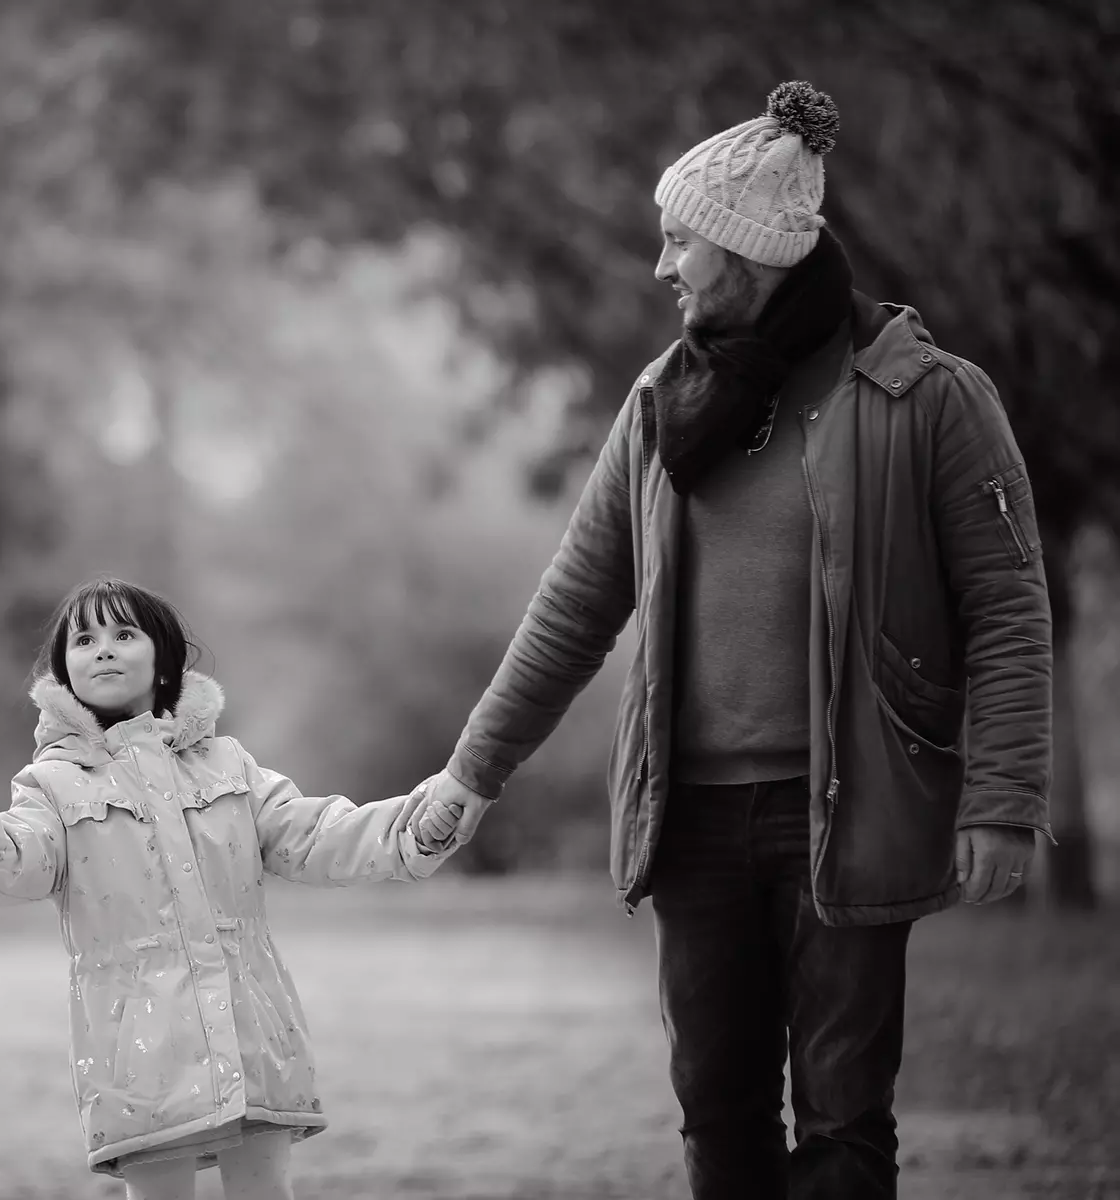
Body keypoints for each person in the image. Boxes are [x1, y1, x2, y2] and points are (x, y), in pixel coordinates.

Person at [412, 82, 1053, 1199]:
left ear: (750, 251)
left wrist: (1004, 801)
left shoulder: (925, 397)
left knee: (847, 1122)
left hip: (847, 806)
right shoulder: (663, 403)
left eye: (681, 240)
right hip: (693, 820)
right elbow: (575, 605)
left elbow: (1007, 605)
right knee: (720, 1118)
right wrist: (472, 775)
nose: (662, 266)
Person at [0, 577, 453, 1200]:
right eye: (84, 639)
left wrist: (419, 822)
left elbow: (317, 832)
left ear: (164, 661)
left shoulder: (228, 766)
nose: (103, 649)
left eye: (124, 634)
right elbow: (9, 864)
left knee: (265, 1190)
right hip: (139, 1051)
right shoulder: (52, 784)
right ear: (63, 673)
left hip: (249, 1031)